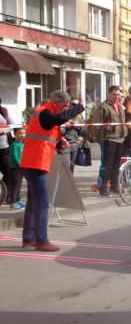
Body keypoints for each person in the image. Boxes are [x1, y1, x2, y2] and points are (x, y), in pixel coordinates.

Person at [21, 90, 85, 251]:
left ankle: (28, 238)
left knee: (33, 201)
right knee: (43, 201)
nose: (65, 109)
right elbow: (60, 119)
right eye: (64, 106)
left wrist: (58, 143)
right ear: (55, 102)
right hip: (35, 163)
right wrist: (79, 106)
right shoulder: (45, 113)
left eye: (68, 106)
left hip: (33, 162)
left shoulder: (44, 114)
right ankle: (41, 240)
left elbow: (43, 137)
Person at [93, 85, 127, 197]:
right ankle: (103, 187)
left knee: (116, 165)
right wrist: (99, 138)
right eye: (114, 95)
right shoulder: (103, 106)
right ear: (109, 94)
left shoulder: (120, 106)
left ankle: (114, 186)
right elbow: (97, 124)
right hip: (109, 139)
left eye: (118, 95)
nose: (116, 97)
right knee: (106, 165)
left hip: (120, 139)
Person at [57, 98, 87, 173]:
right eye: (73, 104)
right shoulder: (64, 115)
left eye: (76, 105)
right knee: (65, 166)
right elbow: (58, 130)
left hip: (75, 144)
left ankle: (69, 183)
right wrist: (64, 126)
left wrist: (81, 136)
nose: (74, 106)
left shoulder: (80, 117)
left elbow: (83, 130)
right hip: (65, 144)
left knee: (71, 166)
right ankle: (63, 183)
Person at [7, 127, 26, 210]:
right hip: (15, 168)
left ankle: (18, 200)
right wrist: (20, 164)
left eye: (23, 133)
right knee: (15, 185)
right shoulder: (15, 144)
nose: (22, 135)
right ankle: (13, 201)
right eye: (19, 133)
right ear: (14, 134)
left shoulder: (22, 144)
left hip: (21, 167)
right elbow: (15, 156)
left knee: (19, 184)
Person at [0, 96, 13, 201]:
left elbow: (13, 124)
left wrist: (3, 131)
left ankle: (5, 193)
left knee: (8, 171)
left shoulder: (4, 110)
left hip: (4, 147)